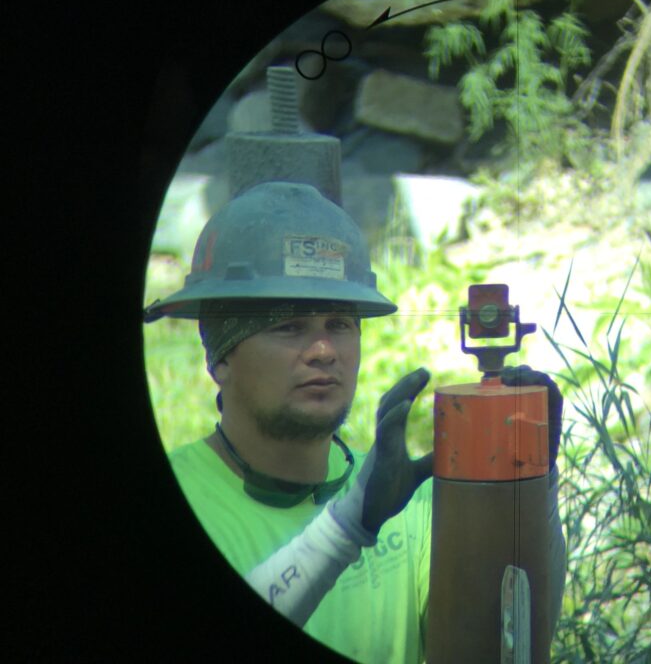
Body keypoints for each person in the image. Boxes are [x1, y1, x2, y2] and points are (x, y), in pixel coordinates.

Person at [143, 181, 566, 664]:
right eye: (290, 327)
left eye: (340, 326)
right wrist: (348, 527)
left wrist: (534, 488)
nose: (323, 351)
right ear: (220, 357)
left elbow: (511, 649)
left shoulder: (404, 502)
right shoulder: (180, 494)